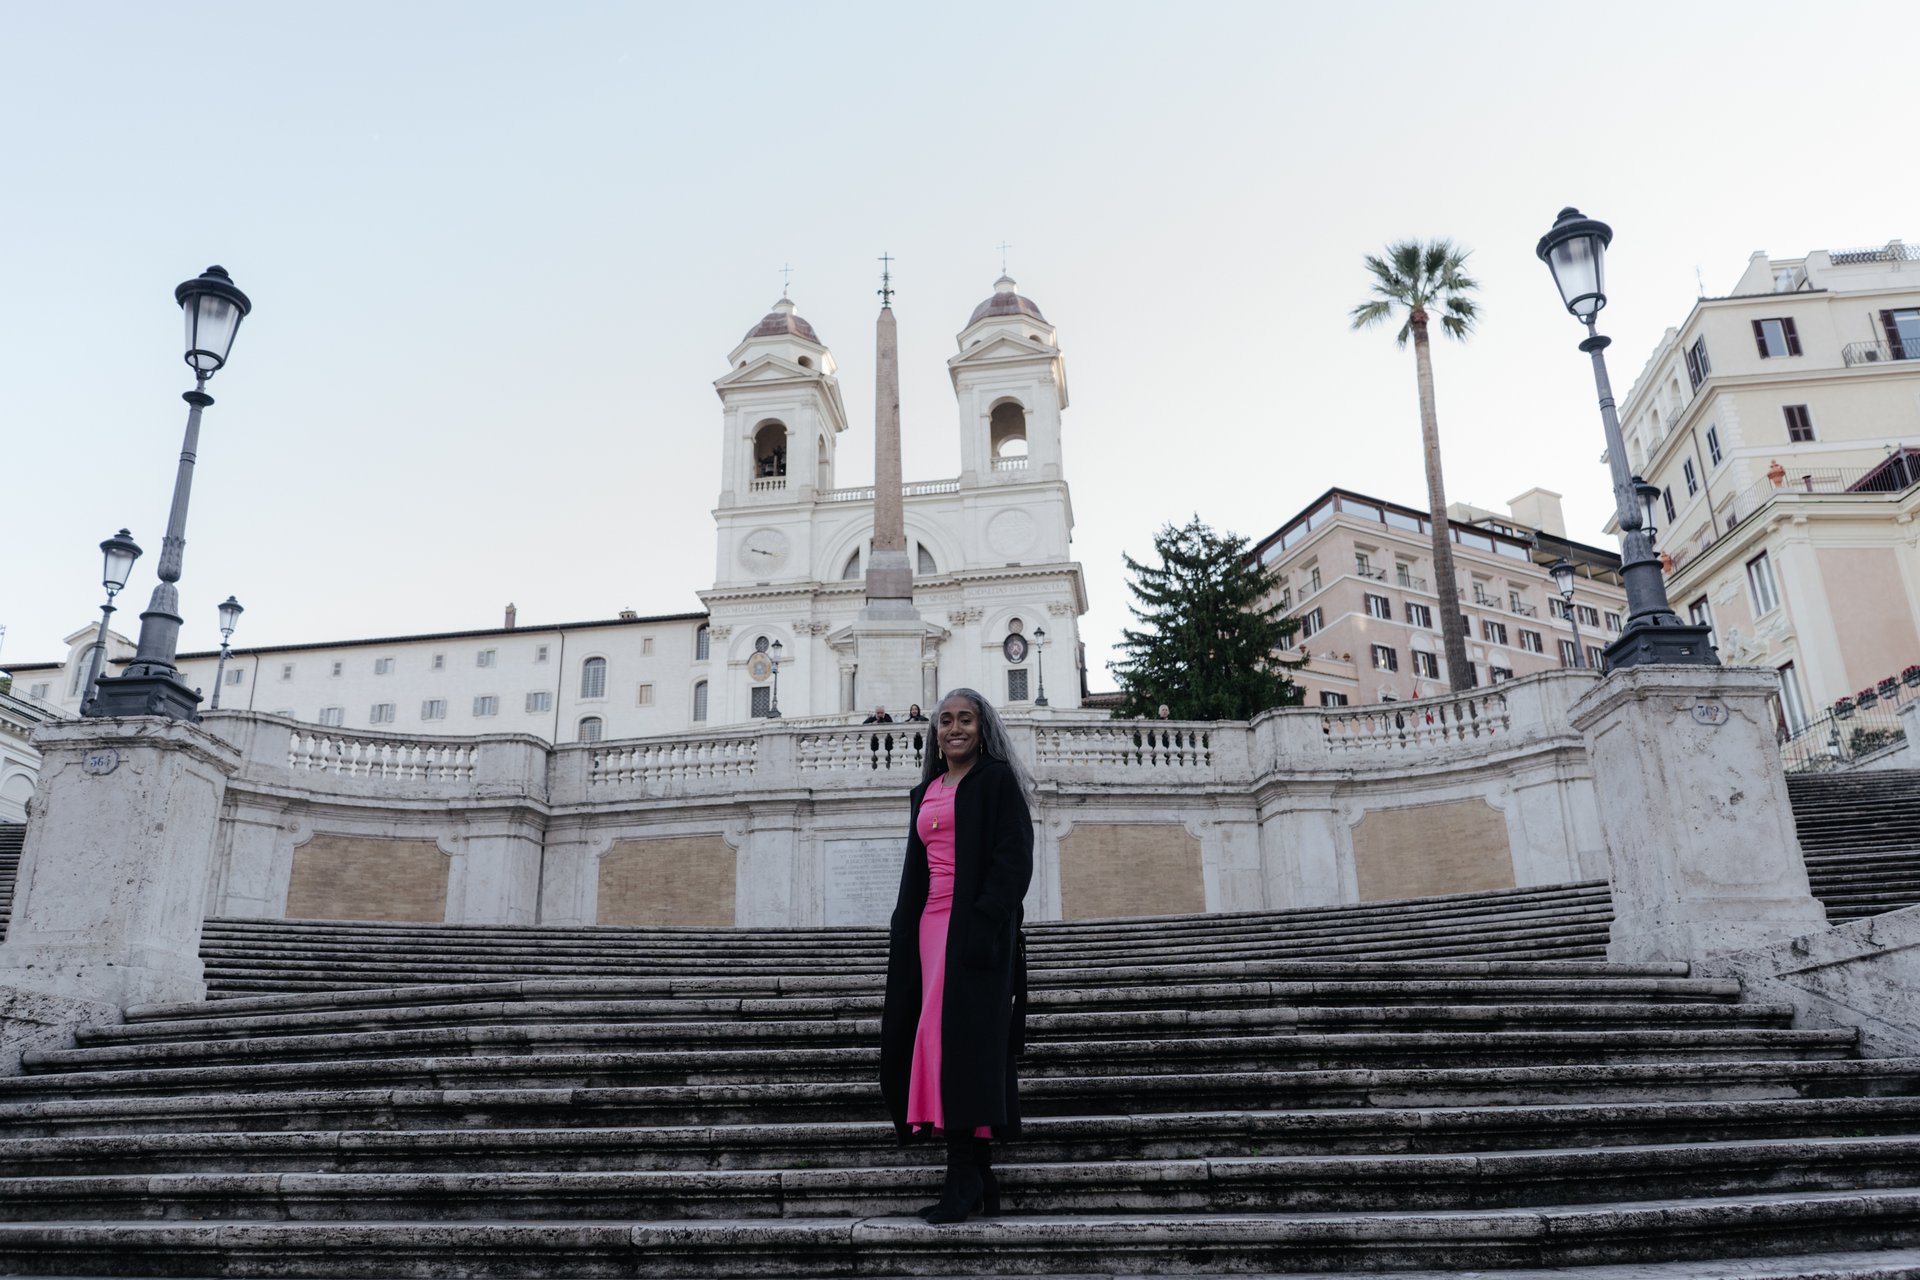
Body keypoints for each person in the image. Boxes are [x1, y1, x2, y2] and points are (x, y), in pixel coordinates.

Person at [879, 688, 1035, 1224]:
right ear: (935, 732)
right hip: (928, 930)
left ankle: (962, 1174)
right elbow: (915, 869)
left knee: (962, 1047)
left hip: (976, 934)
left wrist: (987, 920)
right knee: (935, 1039)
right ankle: (982, 1179)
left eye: (965, 719)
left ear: (982, 726)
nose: (954, 728)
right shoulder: (926, 789)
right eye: (945, 721)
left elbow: (1014, 860)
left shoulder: (995, 781)